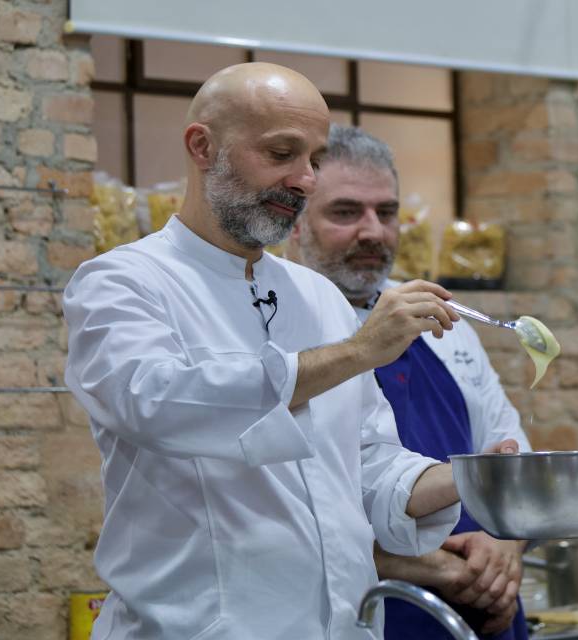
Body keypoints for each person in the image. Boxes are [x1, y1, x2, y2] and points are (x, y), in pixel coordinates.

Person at [63, 63, 516, 640]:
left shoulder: (317, 297)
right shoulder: (123, 282)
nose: (304, 179)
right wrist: (357, 351)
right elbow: (159, 403)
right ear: (202, 147)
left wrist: (470, 479)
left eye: (315, 160)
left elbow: (370, 463)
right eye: (282, 153)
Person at [290, 124, 532, 640]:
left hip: (482, 613)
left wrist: (504, 552)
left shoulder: (446, 321)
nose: (373, 231)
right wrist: (433, 567)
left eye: (387, 212)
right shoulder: (283, 331)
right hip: (369, 611)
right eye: (345, 212)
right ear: (294, 222)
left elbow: (512, 455)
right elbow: (293, 512)